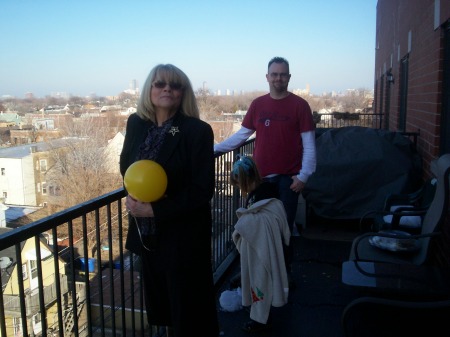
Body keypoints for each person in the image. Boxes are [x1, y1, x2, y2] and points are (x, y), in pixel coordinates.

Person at [120, 64, 219, 337]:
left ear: (182, 93)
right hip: (148, 236)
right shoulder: (136, 123)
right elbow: (126, 167)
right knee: (162, 307)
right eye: (160, 83)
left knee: (188, 310)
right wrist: (136, 197)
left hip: (182, 235)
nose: (167, 89)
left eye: (174, 85)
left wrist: (155, 209)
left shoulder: (195, 130)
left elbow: (202, 190)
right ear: (149, 89)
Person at [214, 56, 316, 274]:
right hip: (260, 179)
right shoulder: (258, 104)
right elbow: (242, 135)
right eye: (274, 74)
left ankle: (282, 276)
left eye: (283, 74)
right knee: (258, 226)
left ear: (289, 77)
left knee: (283, 229)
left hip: (289, 180)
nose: (278, 78)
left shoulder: (300, 105)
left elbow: (309, 144)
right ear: (267, 77)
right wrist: (215, 149)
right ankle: (260, 273)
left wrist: (304, 176)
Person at [230, 155, 291, 333]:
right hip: (267, 245)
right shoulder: (267, 189)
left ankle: (260, 321)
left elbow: (260, 220)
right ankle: (261, 316)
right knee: (262, 280)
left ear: (246, 181)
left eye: (240, 185)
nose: (241, 189)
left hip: (262, 249)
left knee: (260, 280)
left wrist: (244, 221)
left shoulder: (261, 197)